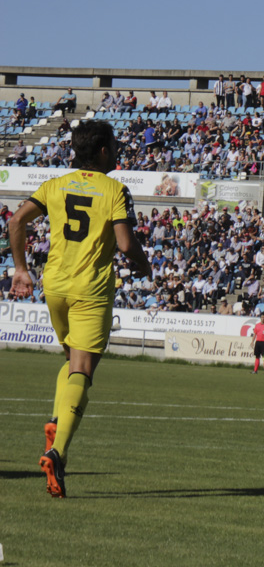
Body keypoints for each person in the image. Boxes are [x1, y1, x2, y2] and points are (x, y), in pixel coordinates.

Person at [7, 120, 151, 497]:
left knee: (72, 359)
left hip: (54, 286)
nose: (118, 151)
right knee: (83, 370)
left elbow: (16, 220)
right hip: (90, 289)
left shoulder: (54, 185)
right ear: (103, 151)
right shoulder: (115, 190)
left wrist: (21, 269)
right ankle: (58, 450)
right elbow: (124, 243)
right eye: (115, 146)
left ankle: (58, 419)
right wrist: (145, 263)